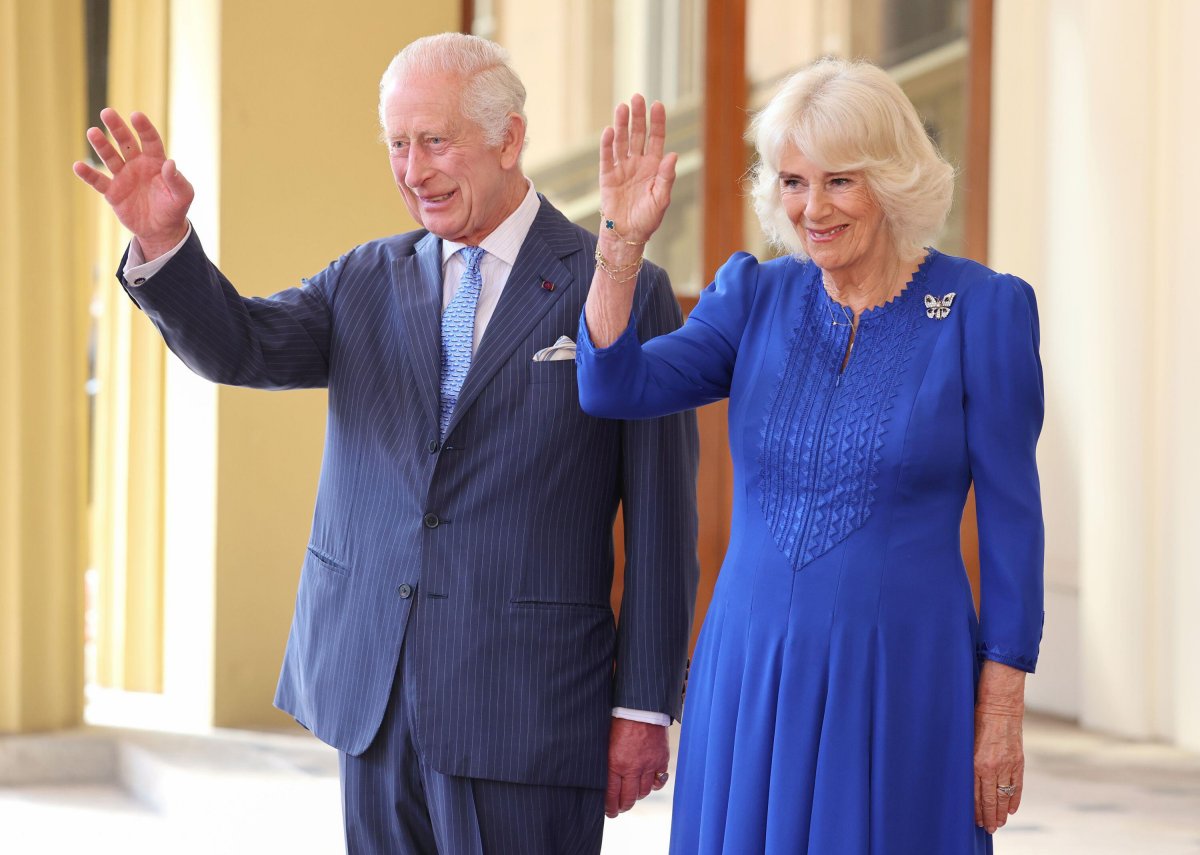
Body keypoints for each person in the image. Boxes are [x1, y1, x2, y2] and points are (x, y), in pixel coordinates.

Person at [73, 33, 699, 855]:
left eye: (434, 140)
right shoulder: (365, 276)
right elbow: (242, 345)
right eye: (397, 144)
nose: (411, 168)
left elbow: (661, 521)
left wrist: (644, 706)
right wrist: (165, 244)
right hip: (373, 692)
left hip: (526, 706)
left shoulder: (618, 284)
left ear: (509, 139)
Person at [577, 57, 1044, 854]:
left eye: (839, 182)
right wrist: (619, 244)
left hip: (902, 672)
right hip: (751, 667)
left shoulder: (980, 309)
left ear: (892, 182)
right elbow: (614, 384)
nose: (811, 208)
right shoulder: (754, 295)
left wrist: (1000, 706)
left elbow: (1013, 522)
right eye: (793, 182)